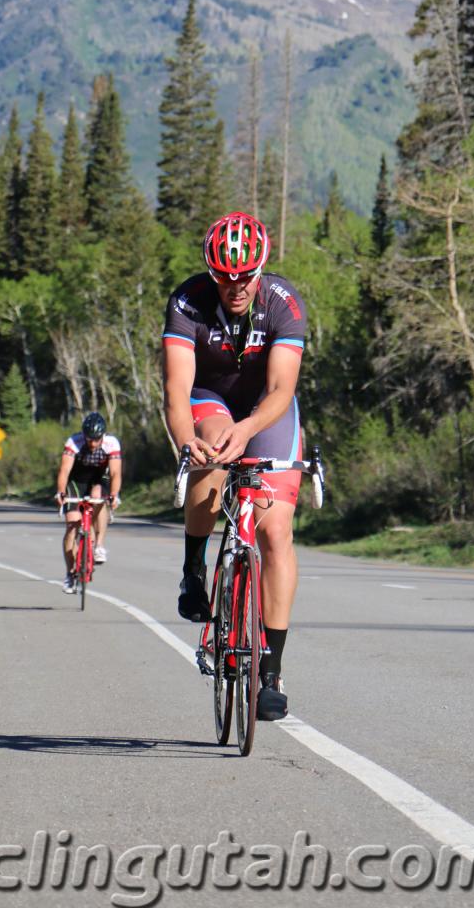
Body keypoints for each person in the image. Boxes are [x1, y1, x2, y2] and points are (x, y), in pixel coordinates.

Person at [162, 210, 307, 721]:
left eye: (245, 275)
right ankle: (192, 568)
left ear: (260, 269)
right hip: (210, 399)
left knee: (278, 534)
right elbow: (176, 390)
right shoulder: (188, 302)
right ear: (211, 272)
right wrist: (187, 442)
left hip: (265, 408)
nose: (235, 285)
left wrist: (248, 430)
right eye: (224, 276)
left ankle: (271, 670)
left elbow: (281, 389)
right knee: (212, 444)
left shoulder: (282, 303)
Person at [55, 411, 122, 593]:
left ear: (102, 436)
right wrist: (61, 492)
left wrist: (114, 495)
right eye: (89, 439)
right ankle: (70, 574)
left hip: (99, 479)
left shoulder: (111, 443)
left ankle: (99, 544)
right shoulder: (73, 442)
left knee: (99, 494)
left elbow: (116, 473)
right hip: (77, 481)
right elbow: (64, 471)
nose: (92, 443)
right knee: (71, 525)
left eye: (96, 439)